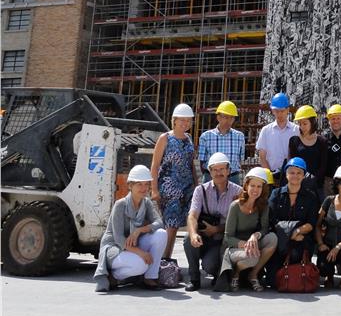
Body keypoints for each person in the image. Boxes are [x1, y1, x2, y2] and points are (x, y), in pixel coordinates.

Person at [94, 164, 167, 292]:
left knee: (161, 234)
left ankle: (150, 277)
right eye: (139, 184)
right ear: (130, 186)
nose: (144, 188)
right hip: (115, 248)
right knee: (141, 265)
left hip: (134, 243)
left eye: (146, 184)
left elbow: (159, 223)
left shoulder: (146, 203)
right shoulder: (120, 205)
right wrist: (141, 253)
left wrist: (140, 230)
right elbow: (118, 239)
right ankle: (114, 276)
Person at [184, 151, 243, 291]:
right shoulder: (200, 190)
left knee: (209, 265)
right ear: (209, 172)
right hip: (203, 236)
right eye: (215, 170)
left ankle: (218, 273)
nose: (218, 173)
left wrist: (216, 229)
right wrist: (193, 234)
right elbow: (192, 216)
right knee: (188, 239)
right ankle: (194, 279)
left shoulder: (238, 192)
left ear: (228, 170)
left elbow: (238, 223)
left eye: (222, 169)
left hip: (222, 240)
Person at [216, 167, 278, 292]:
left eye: (259, 186)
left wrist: (255, 236)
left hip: (253, 243)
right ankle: (236, 274)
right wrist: (246, 245)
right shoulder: (235, 206)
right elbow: (228, 238)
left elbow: (265, 229)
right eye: (252, 186)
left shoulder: (263, 205)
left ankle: (253, 275)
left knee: (272, 238)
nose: (255, 190)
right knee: (252, 257)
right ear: (246, 186)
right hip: (234, 247)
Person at [151, 102, 196, 259]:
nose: (185, 123)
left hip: (187, 188)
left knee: (176, 226)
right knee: (170, 225)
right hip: (169, 188)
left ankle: (166, 259)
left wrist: (196, 185)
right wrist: (154, 190)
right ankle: (165, 259)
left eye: (188, 120)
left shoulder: (189, 139)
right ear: (174, 120)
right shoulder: (165, 138)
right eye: (182, 120)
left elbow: (191, 164)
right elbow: (155, 165)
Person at [269, 156, 321, 266]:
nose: (295, 176)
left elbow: (311, 223)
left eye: (299, 173)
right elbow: (271, 220)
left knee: (296, 255)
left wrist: (296, 232)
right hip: (279, 236)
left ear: (304, 175)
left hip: (300, 237)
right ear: (286, 174)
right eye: (292, 172)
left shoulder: (311, 197)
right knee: (272, 273)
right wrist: (289, 235)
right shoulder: (276, 194)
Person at [198, 100, 246, 184]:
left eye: (232, 118)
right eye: (226, 117)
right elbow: (202, 161)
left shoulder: (240, 137)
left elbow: (240, 160)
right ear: (218, 117)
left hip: (233, 178)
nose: (229, 120)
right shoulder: (206, 137)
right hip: (210, 178)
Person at [288, 105, 328, 200]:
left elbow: (323, 165)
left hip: (317, 187)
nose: (302, 127)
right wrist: (302, 178)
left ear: (312, 123)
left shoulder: (322, 141)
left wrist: (313, 179)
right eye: (300, 124)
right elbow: (292, 163)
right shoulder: (294, 141)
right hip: (297, 186)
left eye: (305, 123)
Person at [256, 92, 299, 172]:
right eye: (277, 111)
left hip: (291, 174)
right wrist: (269, 175)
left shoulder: (296, 130)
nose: (279, 114)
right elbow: (262, 156)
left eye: (282, 111)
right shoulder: (266, 130)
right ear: (272, 111)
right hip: (271, 173)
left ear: (287, 110)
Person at [322, 103, 341, 197]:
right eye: (333, 118)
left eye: (338, 118)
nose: (335, 121)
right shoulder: (322, 140)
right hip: (328, 183)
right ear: (329, 121)